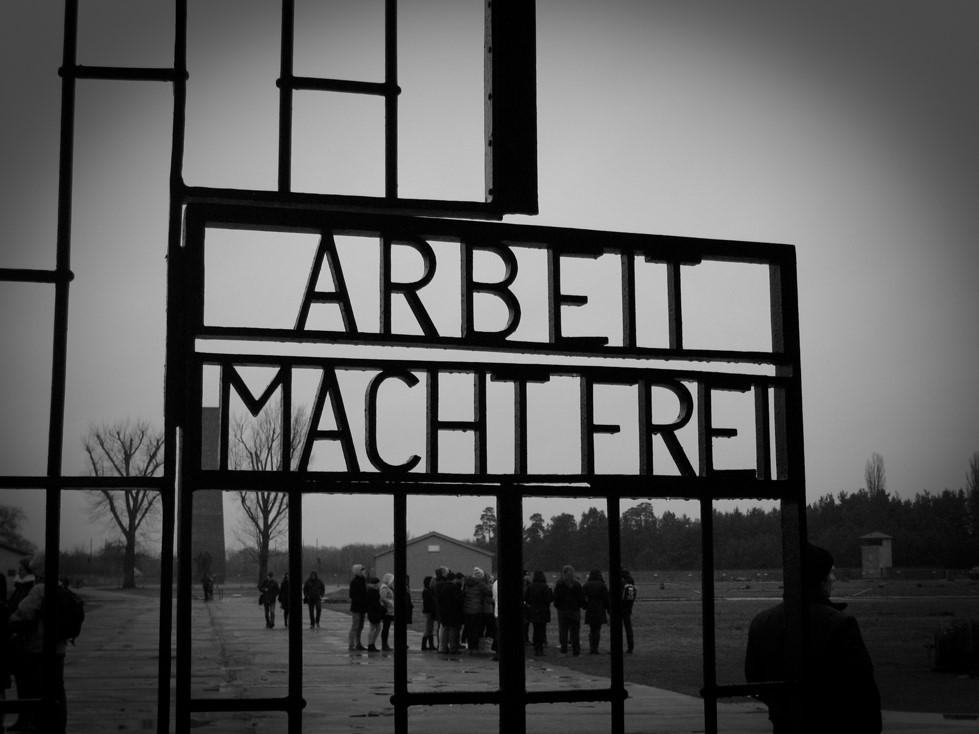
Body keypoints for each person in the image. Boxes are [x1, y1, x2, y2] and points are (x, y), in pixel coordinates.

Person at [745, 543, 882, 733]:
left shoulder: (761, 622)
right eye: (830, 573)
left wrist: (784, 706)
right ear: (820, 579)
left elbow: (755, 681)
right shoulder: (840, 625)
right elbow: (863, 694)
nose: (833, 578)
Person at [7, 554, 68, 733]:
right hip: (59, 648)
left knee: (36, 689)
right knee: (58, 689)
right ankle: (59, 725)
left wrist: (10, 621)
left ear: (41, 569)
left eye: (35, 568)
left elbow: (22, 613)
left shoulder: (39, 590)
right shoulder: (60, 587)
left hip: (38, 648)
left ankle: (39, 725)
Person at [6, 556, 35, 731]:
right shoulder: (20, 587)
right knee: (21, 683)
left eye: (22, 569)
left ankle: (28, 719)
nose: (19, 571)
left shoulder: (28, 588)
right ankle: (22, 718)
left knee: (27, 683)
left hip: (23, 642)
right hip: (16, 643)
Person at [552, 565, 586, 656]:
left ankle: (564, 650)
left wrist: (558, 606)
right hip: (574, 611)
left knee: (563, 632)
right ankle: (576, 651)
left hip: (563, 611)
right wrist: (578, 606)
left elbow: (556, 598)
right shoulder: (577, 584)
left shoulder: (559, 584)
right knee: (575, 632)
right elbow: (582, 598)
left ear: (563, 574)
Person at [523, 570, 553, 656]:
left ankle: (536, 648)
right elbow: (549, 599)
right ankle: (541, 648)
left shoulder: (530, 586)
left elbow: (526, 598)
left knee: (536, 630)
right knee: (542, 630)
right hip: (543, 610)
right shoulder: (545, 587)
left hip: (533, 610)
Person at [462, 567, 492, 653]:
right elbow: (489, 592)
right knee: (476, 630)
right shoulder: (481, 584)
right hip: (476, 610)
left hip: (467, 610)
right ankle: (475, 648)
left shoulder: (467, 583)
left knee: (469, 629)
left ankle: (470, 647)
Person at [583, 569, 610, 654]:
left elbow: (582, 597)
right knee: (597, 629)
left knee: (591, 629)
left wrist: (585, 606)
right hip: (600, 608)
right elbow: (606, 598)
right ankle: (595, 648)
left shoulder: (586, 585)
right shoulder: (602, 585)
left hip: (590, 607)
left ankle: (591, 648)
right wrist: (607, 608)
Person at [348, 564, 368, 651]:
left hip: (362, 608)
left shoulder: (363, 580)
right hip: (356, 608)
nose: (364, 571)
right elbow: (352, 595)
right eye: (362, 570)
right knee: (355, 626)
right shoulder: (354, 582)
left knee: (360, 626)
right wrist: (361, 601)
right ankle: (351, 645)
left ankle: (358, 643)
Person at [365, 577, 385, 652]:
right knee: (374, 628)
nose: (378, 585)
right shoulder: (373, 592)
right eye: (377, 583)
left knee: (375, 628)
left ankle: (371, 644)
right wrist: (382, 609)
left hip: (372, 611)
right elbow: (375, 603)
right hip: (374, 612)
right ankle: (371, 644)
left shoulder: (371, 591)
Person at [620, 569, 637, 653]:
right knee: (628, 628)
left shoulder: (623, 584)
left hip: (622, 608)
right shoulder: (631, 584)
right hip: (627, 609)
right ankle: (630, 647)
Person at [379, 573, 396, 651]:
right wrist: (390, 602)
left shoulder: (388, 587)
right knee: (386, 628)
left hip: (390, 610)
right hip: (387, 611)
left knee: (387, 628)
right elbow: (383, 598)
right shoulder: (384, 588)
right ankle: (384, 644)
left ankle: (385, 644)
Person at [421, 575, 438, 651]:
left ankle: (429, 645)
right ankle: (425, 645)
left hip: (427, 611)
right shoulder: (427, 592)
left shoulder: (426, 591)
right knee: (429, 629)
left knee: (429, 628)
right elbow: (430, 603)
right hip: (428, 611)